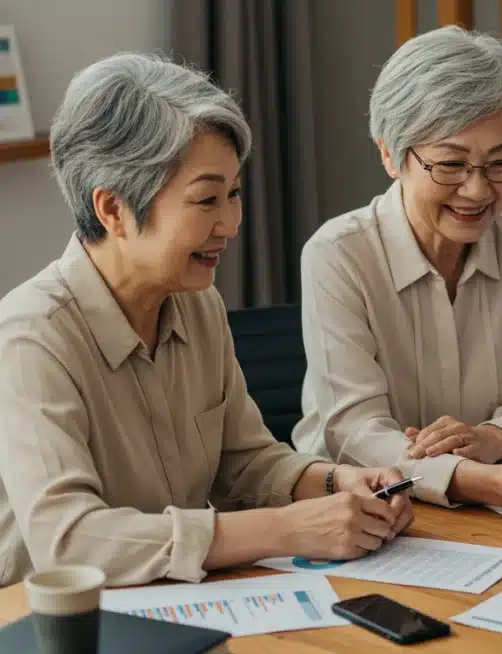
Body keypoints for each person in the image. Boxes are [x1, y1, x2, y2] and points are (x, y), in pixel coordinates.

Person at [0, 53, 414, 589]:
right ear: (113, 209)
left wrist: (334, 482)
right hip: (53, 620)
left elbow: (245, 462)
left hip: (177, 601)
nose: (231, 223)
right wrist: (286, 529)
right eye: (206, 200)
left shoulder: (198, 305)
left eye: (233, 194)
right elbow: (70, 540)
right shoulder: (30, 338)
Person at [291, 26, 502, 523]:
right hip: (362, 514)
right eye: (450, 164)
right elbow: (353, 433)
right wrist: (484, 480)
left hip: (497, 511)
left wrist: (493, 438)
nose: (478, 191)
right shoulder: (339, 254)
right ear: (390, 154)